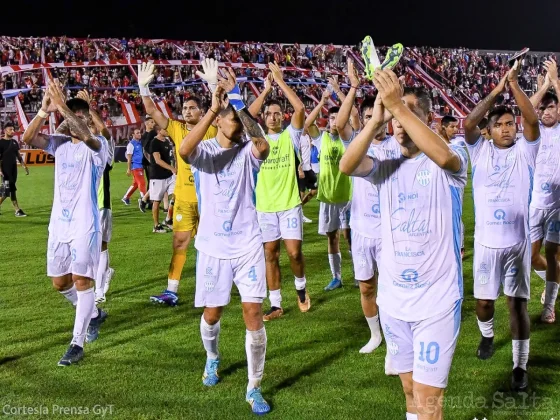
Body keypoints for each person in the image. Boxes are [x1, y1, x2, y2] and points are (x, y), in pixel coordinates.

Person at [340, 71, 467, 419]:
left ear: (429, 119)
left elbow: (443, 158)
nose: (399, 122)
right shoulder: (385, 165)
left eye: (409, 113)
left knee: (428, 402)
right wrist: (376, 119)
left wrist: (398, 104)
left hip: (436, 301)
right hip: (394, 301)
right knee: (410, 392)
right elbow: (346, 164)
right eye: (396, 116)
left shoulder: (453, 156)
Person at [178, 70, 271, 415]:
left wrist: (238, 101)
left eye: (238, 116)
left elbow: (262, 143)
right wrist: (212, 111)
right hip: (213, 247)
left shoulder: (249, 151)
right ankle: (213, 358)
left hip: (247, 244)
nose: (238, 122)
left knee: (253, 312)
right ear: (220, 122)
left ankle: (254, 387)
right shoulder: (204, 149)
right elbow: (185, 150)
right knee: (212, 314)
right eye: (231, 117)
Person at [463, 60, 539, 391]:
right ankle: (487, 336)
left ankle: (520, 367)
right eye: (501, 124)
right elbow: (468, 122)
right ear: (489, 130)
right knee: (483, 304)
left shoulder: (525, 151)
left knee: (517, 305)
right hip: (485, 245)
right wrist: (497, 90)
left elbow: (533, 121)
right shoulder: (478, 152)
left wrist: (514, 85)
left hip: (518, 243)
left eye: (511, 124)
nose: (508, 128)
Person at [22, 80, 108, 366]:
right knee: (60, 282)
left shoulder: (98, 146)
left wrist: (64, 108)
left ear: (86, 119)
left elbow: (87, 133)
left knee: (83, 281)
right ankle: (94, 314)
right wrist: (45, 111)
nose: (75, 121)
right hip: (59, 224)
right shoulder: (59, 145)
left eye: (79, 116)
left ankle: (77, 342)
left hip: (85, 225)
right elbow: (28, 137)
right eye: (72, 116)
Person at [139, 60, 218, 306]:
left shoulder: (213, 129)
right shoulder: (176, 128)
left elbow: (224, 111)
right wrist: (143, 89)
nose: (187, 111)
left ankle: (213, 287)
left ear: (202, 112)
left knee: (211, 246)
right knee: (180, 243)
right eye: (185, 107)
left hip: (209, 199)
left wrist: (214, 85)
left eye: (192, 107)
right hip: (184, 199)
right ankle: (172, 290)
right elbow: (152, 112)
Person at [247, 65, 310, 320]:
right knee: (270, 254)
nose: (272, 117)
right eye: (268, 114)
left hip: (289, 205)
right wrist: (265, 90)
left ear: (282, 117)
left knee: (294, 253)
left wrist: (281, 82)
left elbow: (301, 109)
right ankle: (276, 304)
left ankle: (301, 288)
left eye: (277, 113)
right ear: (263, 117)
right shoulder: (257, 140)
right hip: (264, 207)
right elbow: (246, 118)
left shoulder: (290, 137)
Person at [305, 90, 354, 291]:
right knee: (331, 237)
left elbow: (354, 116)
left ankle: (361, 273)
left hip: (347, 197)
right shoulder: (321, 138)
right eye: (332, 117)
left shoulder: (347, 139)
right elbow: (307, 124)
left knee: (350, 237)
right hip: (327, 198)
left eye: (338, 117)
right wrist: (322, 101)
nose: (335, 121)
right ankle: (336, 277)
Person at [76, 90, 115, 305]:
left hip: (101, 206)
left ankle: (99, 290)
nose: (88, 130)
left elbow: (105, 132)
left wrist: (88, 108)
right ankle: (101, 275)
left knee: (100, 247)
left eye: (90, 126)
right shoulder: (78, 149)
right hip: (81, 207)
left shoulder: (104, 149)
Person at [528, 59, 560, 322]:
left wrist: (555, 81)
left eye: (552, 107)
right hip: (534, 202)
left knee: (551, 252)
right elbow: (527, 107)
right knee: (530, 256)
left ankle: (549, 306)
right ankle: (555, 278)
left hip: (557, 205)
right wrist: (545, 86)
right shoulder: (533, 131)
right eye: (544, 108)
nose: (547, 111)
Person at [149, 127, 176, 233]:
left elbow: (171, 157)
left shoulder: (168, 141)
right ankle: (156, 226)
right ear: (159, 131)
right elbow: (157, 160)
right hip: (157, 176)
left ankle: (168, 219)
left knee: (177, 195)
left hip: (169, 176)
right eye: (165, 129)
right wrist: (172, 168)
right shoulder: (154, 142)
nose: (167, 131)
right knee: (157, 201)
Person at [0, 122, 29, 217]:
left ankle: (17, 210)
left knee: (11, 190)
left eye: (13, 129)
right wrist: (0, 170)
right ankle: (17, 210)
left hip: (13, 170)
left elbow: (18, 155)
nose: (13, 131)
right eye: (10, 130)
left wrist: (23, 165)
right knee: (6, 191)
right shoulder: (1, 143)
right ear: (5, 131)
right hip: (5, 171)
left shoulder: (14, 142)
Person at [122, 129, 147, 205]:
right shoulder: (131, 145)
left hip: (140, 166)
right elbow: (129, 158)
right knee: (142, 182)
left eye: (140, 133)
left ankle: (126, 197)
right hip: (136, 167)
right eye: (137, 133)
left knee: (136, 184)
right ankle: (143, 199)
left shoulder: (139, 143)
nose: (140, 134)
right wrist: (129, 169)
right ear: (133, 135)